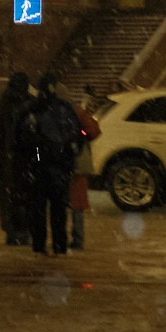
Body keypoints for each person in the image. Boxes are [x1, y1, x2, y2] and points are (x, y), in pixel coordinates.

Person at [25, 74, 83, 257]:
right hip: (60, 166)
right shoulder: (64, 109)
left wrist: (35, 159)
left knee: (39, 209)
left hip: (40, 165)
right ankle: (60, 244)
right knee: (58, 209)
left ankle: (39, 244)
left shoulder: (34, 109)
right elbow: (78, 134)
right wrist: (69, 156)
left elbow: (27, 139)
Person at [0, 69, 35, 245]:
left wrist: (1, 159)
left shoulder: (4, 105)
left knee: (9, 198)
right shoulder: (31, 104)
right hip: (28, 160)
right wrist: (38, 159)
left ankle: (12, 231)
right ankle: (24, 230)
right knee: (27, 196)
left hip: (8, 162)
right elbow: (38, 140)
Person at [67, 87, 102, 251]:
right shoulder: (77, 112)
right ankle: (77, 238)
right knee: (77, 203)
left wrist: (38, 159)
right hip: (77, 162)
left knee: (52, 203)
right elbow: (94, 131)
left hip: (53, 162)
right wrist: (81, 134)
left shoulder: (42, 111)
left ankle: (51, 238)